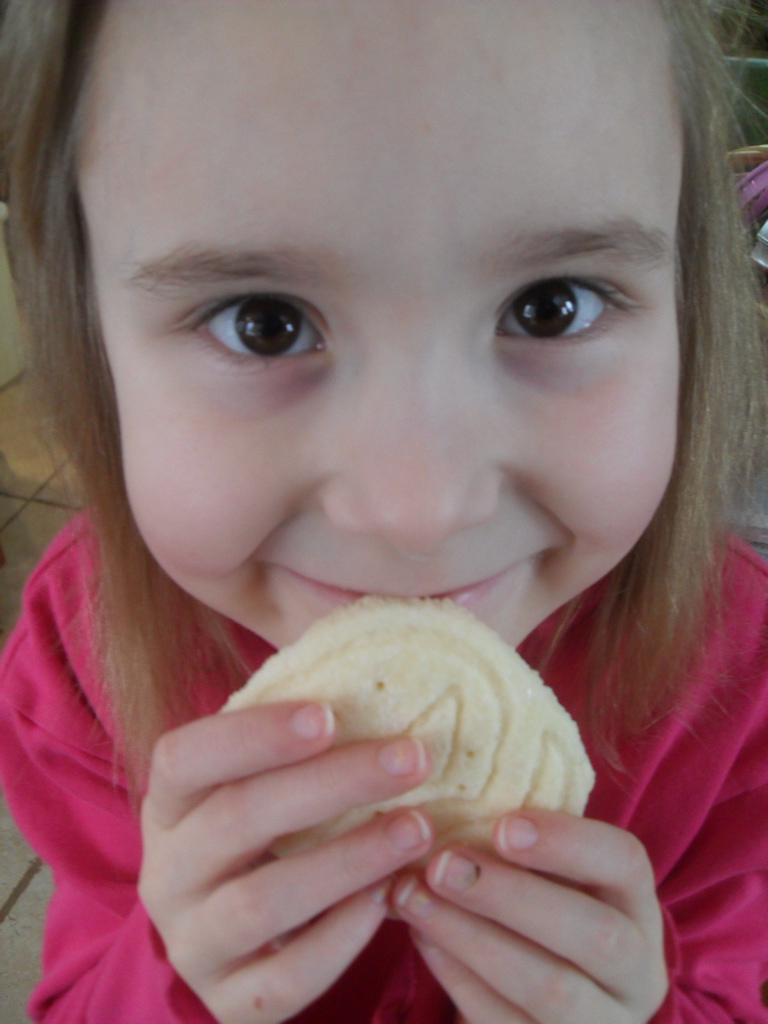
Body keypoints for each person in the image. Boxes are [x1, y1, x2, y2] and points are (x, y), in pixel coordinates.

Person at [0, 1, 766, 1021]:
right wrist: (176, 982)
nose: (422, 514)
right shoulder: (79, 655)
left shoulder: (742, 677)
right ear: (93, 341)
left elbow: (728, 985)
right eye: (264, 325)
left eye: (552, 304)